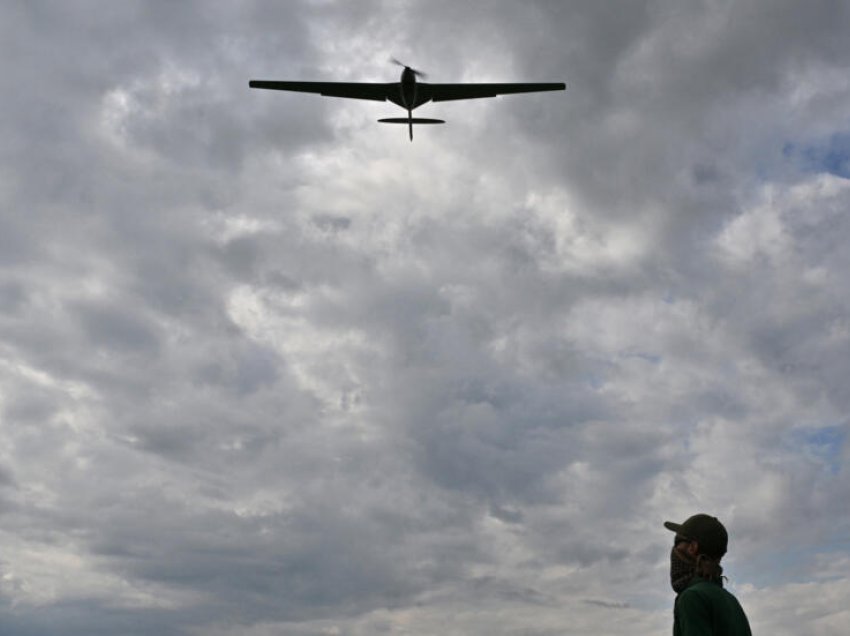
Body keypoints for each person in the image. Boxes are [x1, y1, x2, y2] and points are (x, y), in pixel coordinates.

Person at [664, 514, 752, 636]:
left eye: (678, 542)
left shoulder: (692, 598)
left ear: (692, 548)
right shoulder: (731, 600)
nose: (675, 549)